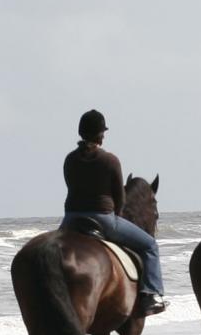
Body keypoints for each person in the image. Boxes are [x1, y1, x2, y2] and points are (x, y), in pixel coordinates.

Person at [60, 109, 166, 317]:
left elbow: (70, 186)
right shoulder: (110, 160)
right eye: (103, 132)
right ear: (100, 134)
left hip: (71, 219)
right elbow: (120, 198)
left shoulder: (70, 159)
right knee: (150, 245)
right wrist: (115, 216)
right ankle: (152, 293)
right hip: (102, 219)